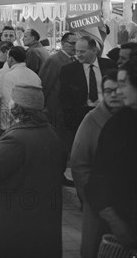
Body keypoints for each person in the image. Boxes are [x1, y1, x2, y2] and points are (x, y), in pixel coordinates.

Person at [0, 84, 65, 258]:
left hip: (14, 216)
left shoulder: (17, 138)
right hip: (39, 215)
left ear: (19, 107)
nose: (9, 103)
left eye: (13, 100)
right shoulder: (50, 132)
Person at [70, 70, 123, 258]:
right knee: (97, 247)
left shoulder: (129, 119)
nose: (114, 95)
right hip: (99, 202)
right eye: (109, 91)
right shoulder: (92, 119)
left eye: (119, 90)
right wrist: (92, 199)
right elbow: (79, 163)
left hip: (126, 202)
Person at [86, 58, 137, 251]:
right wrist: (114, 221)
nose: (119, 91)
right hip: (122, 223)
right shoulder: (118, 124)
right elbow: (98, 175)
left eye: (123, 84)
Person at [59, 35, 115, 144]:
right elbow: (64, 97)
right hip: (80, 116)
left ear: (94, 50)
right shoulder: (68, 70)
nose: (78, 54)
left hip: (106, 113)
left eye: (82, 52)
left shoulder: (109, 65)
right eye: (77, 51)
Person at [39, 32, 77, 155]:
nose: (75, 46)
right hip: (55, 109)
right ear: (63, 44)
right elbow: (45, 84)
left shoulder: (75, 59)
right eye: (72, 43)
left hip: (70, 108)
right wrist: (42, 107)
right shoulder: (54, 60)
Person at [0, 46, 42, 132]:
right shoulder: (34, 75)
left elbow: (8, 102)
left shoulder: (9, 75)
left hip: (14, 123)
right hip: (34, 121)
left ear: (11, 59)